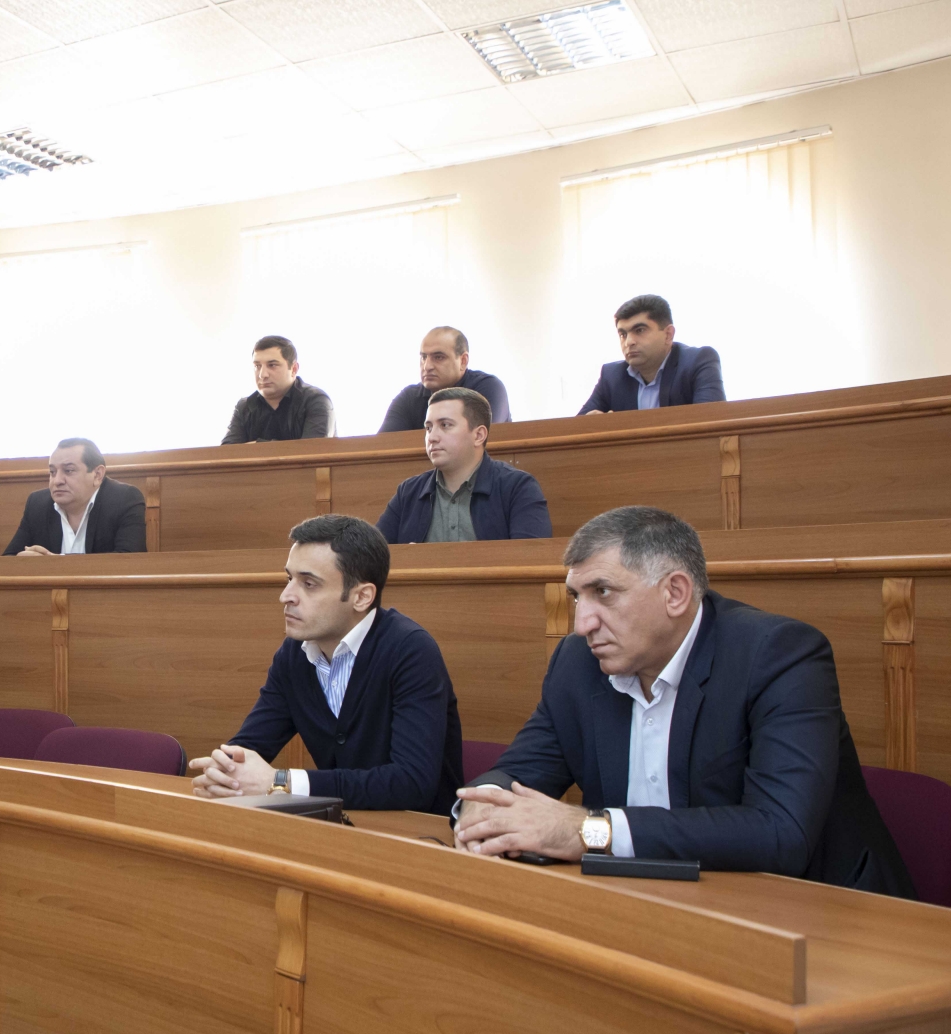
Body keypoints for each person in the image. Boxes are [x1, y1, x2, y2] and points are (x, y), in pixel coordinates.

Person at [452, 506, 914, 895]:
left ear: (675, 593)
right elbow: (517, 772)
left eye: (603, 593)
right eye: (577, 597)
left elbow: (781, 833)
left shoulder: (778, 655)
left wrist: (588, 830)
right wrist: (482, 806)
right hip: (651, 906)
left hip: (819, 914)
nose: (582, 624)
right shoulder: (579, 663)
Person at [189, 515, 463, 811]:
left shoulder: (411, 651)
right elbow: (251, 745)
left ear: (361, 597)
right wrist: (226, 771)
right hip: (340, 826)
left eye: (309, 584)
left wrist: (281, 782)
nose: (285, 596)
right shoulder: (294, 654)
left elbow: (412, 783)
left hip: (419, 831)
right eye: (289, 579)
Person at [376, 388, 551, 543]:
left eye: (445, 425)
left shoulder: (518, 487)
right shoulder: (408, 492)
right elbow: (372, 559)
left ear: (479, 435)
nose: (432, 437)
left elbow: (532, 559)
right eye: (428, 428)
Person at [578, 295, 725, 414]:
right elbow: (574, 430)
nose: (629, 342)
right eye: (623, 334)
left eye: (640, 330)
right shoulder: (611, 377)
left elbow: (711, 422)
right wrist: (593, 424)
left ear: (668, 335)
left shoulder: (698, 361)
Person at [4, 438, 147, 556]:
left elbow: (129, 562)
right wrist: (21, 561)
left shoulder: (125, 499)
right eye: (52, 472)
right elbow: (7, 561)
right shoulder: (37, 504)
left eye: (69, 470)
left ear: (97, 475)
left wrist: (53, 564)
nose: (57, 481)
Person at [378, 327, 512, 431]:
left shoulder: (488, 387)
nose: (427, 366)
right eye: (423, 357)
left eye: (438, 357)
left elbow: (481, 439)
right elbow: (383, 446)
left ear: (463, 361)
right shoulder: (409, 397)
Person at [222, 336, 335, 443]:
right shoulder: (244, 407)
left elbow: (313, 451)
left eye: (272, 365)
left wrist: (256, 445)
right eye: (257, 366)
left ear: (294, 369)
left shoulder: (316, 401)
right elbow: (227, 453)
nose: (262, 375)